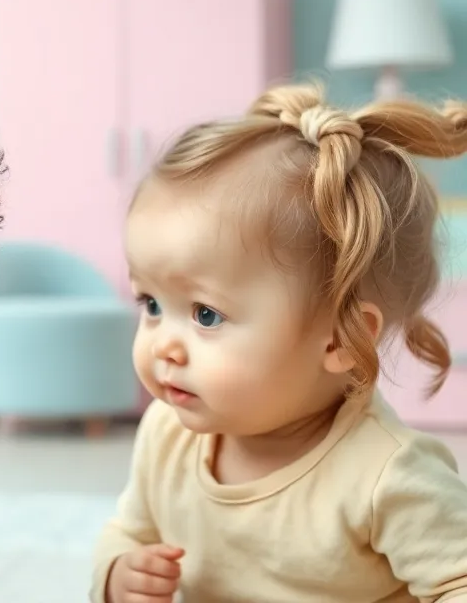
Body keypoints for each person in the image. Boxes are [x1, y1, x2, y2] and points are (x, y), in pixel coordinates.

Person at [93, 84, 467, 602]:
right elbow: (128, 531)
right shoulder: (166, 435)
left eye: (205, 314)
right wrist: (117, 574)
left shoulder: (387, 475)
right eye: (151, 304)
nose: (164, 347)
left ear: (341, 337)